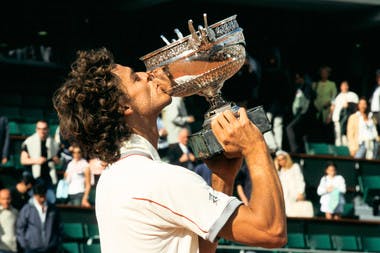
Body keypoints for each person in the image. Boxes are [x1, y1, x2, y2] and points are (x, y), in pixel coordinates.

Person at [53, 48, 286, 252]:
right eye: (136, 78)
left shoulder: (113, 178)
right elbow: (271, 230)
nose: (147, 75)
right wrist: (255, 147)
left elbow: (197, 250)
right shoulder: (156, 179)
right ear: (122, 106)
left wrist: (222, 178)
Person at [16, 178, 62, 253]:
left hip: (50, 249)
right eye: (40, 196)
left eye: (44, 196)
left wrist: (56, 242)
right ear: (35, 195)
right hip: (32, 249)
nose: (42, 199)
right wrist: (25, 245)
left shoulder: (53, 209)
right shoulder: (27, 209)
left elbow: (59, 226)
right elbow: (20, 228)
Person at [20, 120, 60, 189]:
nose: (42, 131)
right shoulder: (29, 142)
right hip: (33, 176)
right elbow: (23, 160)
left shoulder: (54, 143)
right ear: (36, 129)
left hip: (48, 175)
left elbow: (59, 161)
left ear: (48, 129)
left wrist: (57, 161)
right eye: (39, 129)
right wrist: (36, 161)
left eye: (44, 129)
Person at [274, 150, 314, 217]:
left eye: (282, 159)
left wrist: (301, 193)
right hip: (285, 197)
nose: (281, 161)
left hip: (295, 195)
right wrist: (276, 168)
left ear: (287, 158)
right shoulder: (280, 172)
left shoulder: (295, 167)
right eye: (279, 160)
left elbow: (300, 180)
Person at [286, 71, 313, 153]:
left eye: (298, 78)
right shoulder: (298, 88)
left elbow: (307, 101)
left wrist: (303, 112)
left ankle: (294, 149)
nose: (296, 80)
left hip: (302, 113)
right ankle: (305, 150)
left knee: (289, 128)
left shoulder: (306, 87)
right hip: (297, 113)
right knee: (302, 133)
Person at [312, 66, 337, 143]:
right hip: (316, 111)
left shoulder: (332, 84)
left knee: (327, 130)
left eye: (325, 73)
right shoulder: (315, 84)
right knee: (317, 130)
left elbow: (334, 98)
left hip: (327, 111)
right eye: (322, 73)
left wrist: (329, 103)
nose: (324, 74)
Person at [330, 80, 359, 146]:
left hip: (347, 120)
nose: (344, 87)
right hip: (337, 119)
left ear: (348, 86)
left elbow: (356, 106)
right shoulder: (338, 96)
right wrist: (329, 116)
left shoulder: (352, 95)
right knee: (337, 136)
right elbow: (333, 106)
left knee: (345, 136)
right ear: (341, 87)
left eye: (346, 85)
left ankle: (345, 152)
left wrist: (349, 105)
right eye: (343, 86)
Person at [0, 189, 18, 253]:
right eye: (3, 199)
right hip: (2, 248)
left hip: (13, 248)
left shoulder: (15, 212)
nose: (6, 201)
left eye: (8, 199)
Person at [370, 69, 380, 133]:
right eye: (378, 77)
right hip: (374, 112)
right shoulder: (375, 88)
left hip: (379, 112)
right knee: (374, 129)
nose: (378, 79)